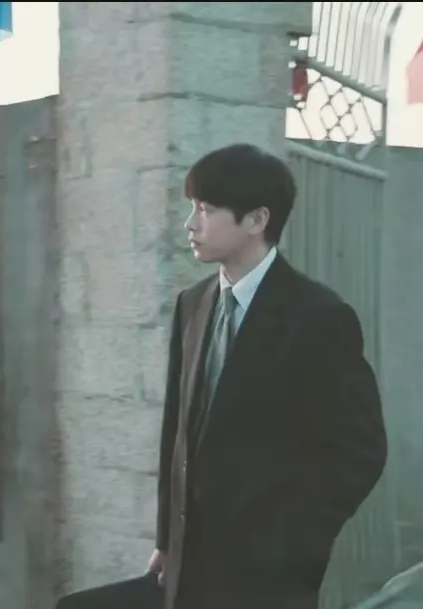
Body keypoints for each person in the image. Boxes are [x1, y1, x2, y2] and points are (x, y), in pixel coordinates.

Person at [56, 143, 387, 609]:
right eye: (193, 207)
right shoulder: (193, 303)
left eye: (207, 210)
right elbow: (178, 430)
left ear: (256, 220)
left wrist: (293, 544)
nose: (191, 223)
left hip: (267, 578)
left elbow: (360, 450)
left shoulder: (317, 316)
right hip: (190, 565)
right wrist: (168, 538)